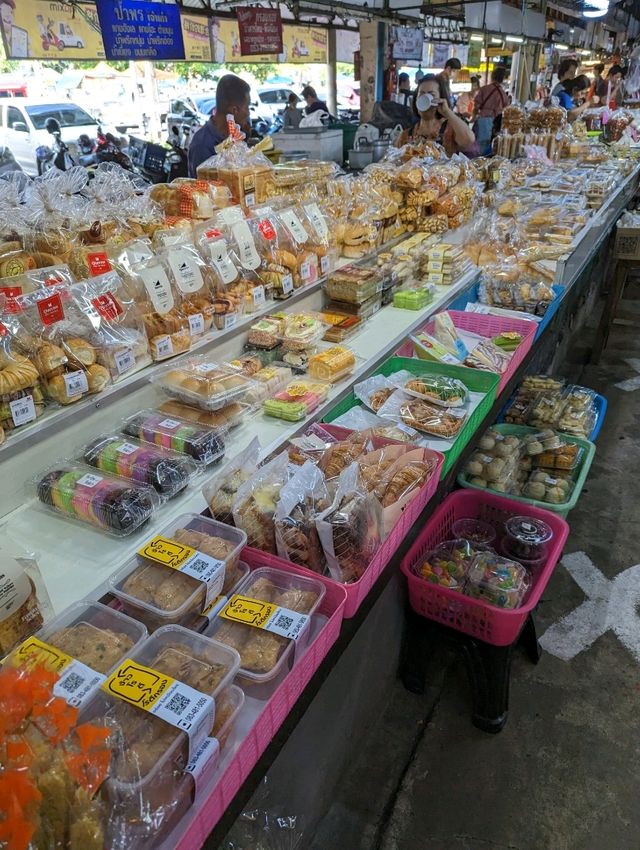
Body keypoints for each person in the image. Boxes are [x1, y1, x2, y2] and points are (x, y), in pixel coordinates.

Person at [188, 73, 251, 178]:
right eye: (247, 107)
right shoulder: (202, 145)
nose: (248, 113)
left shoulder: (233, 138)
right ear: (234, 110)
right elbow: (204, 190)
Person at [397, 74, 474, 156]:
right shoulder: (406, 135)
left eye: (431, 94)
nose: (424, 98)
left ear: (441, 98)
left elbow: (468, 141)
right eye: (421, 94)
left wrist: (448, 112)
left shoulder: (449, 130)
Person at [472, 66, 509, 153]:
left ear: (492, 76)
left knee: (481, 145)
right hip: (497, 123)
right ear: (502, 79)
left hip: (484, 120)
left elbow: (476, 105)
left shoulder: (485, 89)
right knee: (493, 145)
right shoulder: (503, 94)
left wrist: (473, 117)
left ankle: (478, 163)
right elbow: (505, 109)